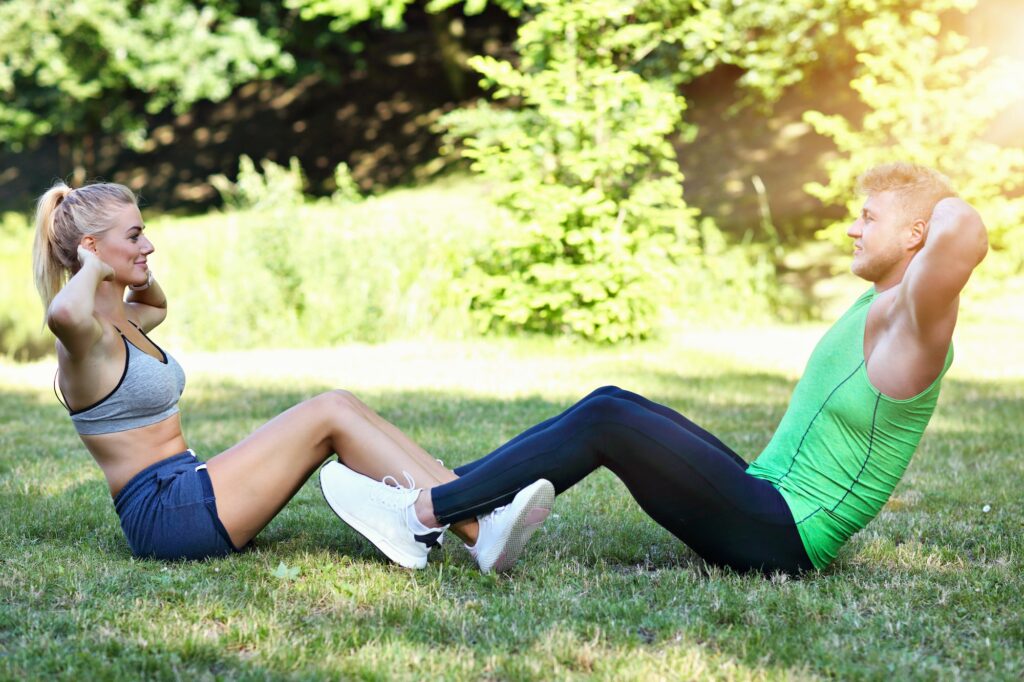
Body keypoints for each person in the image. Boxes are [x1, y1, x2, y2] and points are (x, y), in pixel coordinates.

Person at [319, 162, 989, 574]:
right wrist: (910, 216)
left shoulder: (917, 325)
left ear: (914, 238)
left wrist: (932, 206)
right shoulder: (879, 298)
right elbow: (938, 233)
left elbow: (966, 232)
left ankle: (419, 514)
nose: (852, 228)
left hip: (784, 534)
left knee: (610, 421)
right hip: (765, 494)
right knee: (612, 399)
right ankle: (464, 504)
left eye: (870, 218)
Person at [32, 181, 554, 571]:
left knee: (341, 402)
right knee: (327, 411)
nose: (149, 246)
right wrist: (91, 263)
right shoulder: (85, 340)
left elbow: (155, 302)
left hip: (188, 485)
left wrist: (118, 261)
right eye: (136, 234)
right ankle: (479, 533)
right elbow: (63, 315)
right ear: (91, 250)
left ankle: (477, 503)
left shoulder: (124, 319)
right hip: (165, 516)